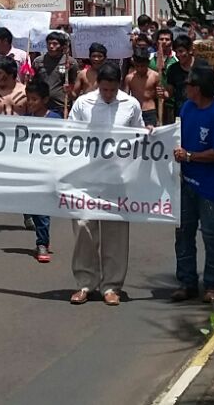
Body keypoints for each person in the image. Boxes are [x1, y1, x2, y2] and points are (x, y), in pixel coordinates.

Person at [68, 62, 145, 305]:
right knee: (83, 229)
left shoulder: (131, 104)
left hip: (117, 179)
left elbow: (139, 136)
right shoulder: (83, 103)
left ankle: (111, 286)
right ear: (97, 84)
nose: (108, 94)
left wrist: (150, 133)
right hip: (86, 177)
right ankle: (85, 283)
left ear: (119, 85)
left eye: (112, 90)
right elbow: (68, 135)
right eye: (104, 90)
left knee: (115, 234)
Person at [173, 64, 214, 303]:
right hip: (185, 184)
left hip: (210, 188)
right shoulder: (187, 108)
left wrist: (190, 156)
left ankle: (212, 285)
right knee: (183, 235)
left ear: (198, 88)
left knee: (210, 236)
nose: (186, 87)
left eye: (189, 84)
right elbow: (175, 136)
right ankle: (187, 282)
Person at [21, 77, 59, 263]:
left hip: (48, 170)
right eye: (28, 98)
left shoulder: (55, 119)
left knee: (42, 208)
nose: (30, 102)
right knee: (34, 208)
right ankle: (43, 237)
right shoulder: (25, 120)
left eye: (34, 99)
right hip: (30, 170)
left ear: (45, 99)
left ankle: (42, 242)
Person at [33, 30, 77, 117]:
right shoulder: (38, 61)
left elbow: (74, 85)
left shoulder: (70, 62)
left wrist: (69, 91)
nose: (51, 46)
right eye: (49, 43)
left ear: (62, 46)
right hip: (42, 106)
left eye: (55, 44)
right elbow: (34, 81)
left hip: (61, 106)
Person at [124, 41, 164, 127]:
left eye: (142, 66)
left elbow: (160, 98)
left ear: (147, 63)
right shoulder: (129, 78)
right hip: (135, 111)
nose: (140, 69)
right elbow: (125, 98)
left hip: (150, 112)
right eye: (137, 66)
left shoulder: (155, 76)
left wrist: (159, 118)